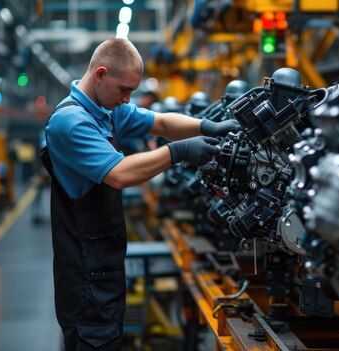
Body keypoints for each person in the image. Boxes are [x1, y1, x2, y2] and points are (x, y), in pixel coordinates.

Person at [43, 38, 239, 350]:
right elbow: (119, 174)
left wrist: (208, 127)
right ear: (100, 74)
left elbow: (160, 122)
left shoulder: (104, 109)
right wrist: (180, 152)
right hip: (85, 278)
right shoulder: (71, 122)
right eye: (124, 89)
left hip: (103, 264)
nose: (127, 98)